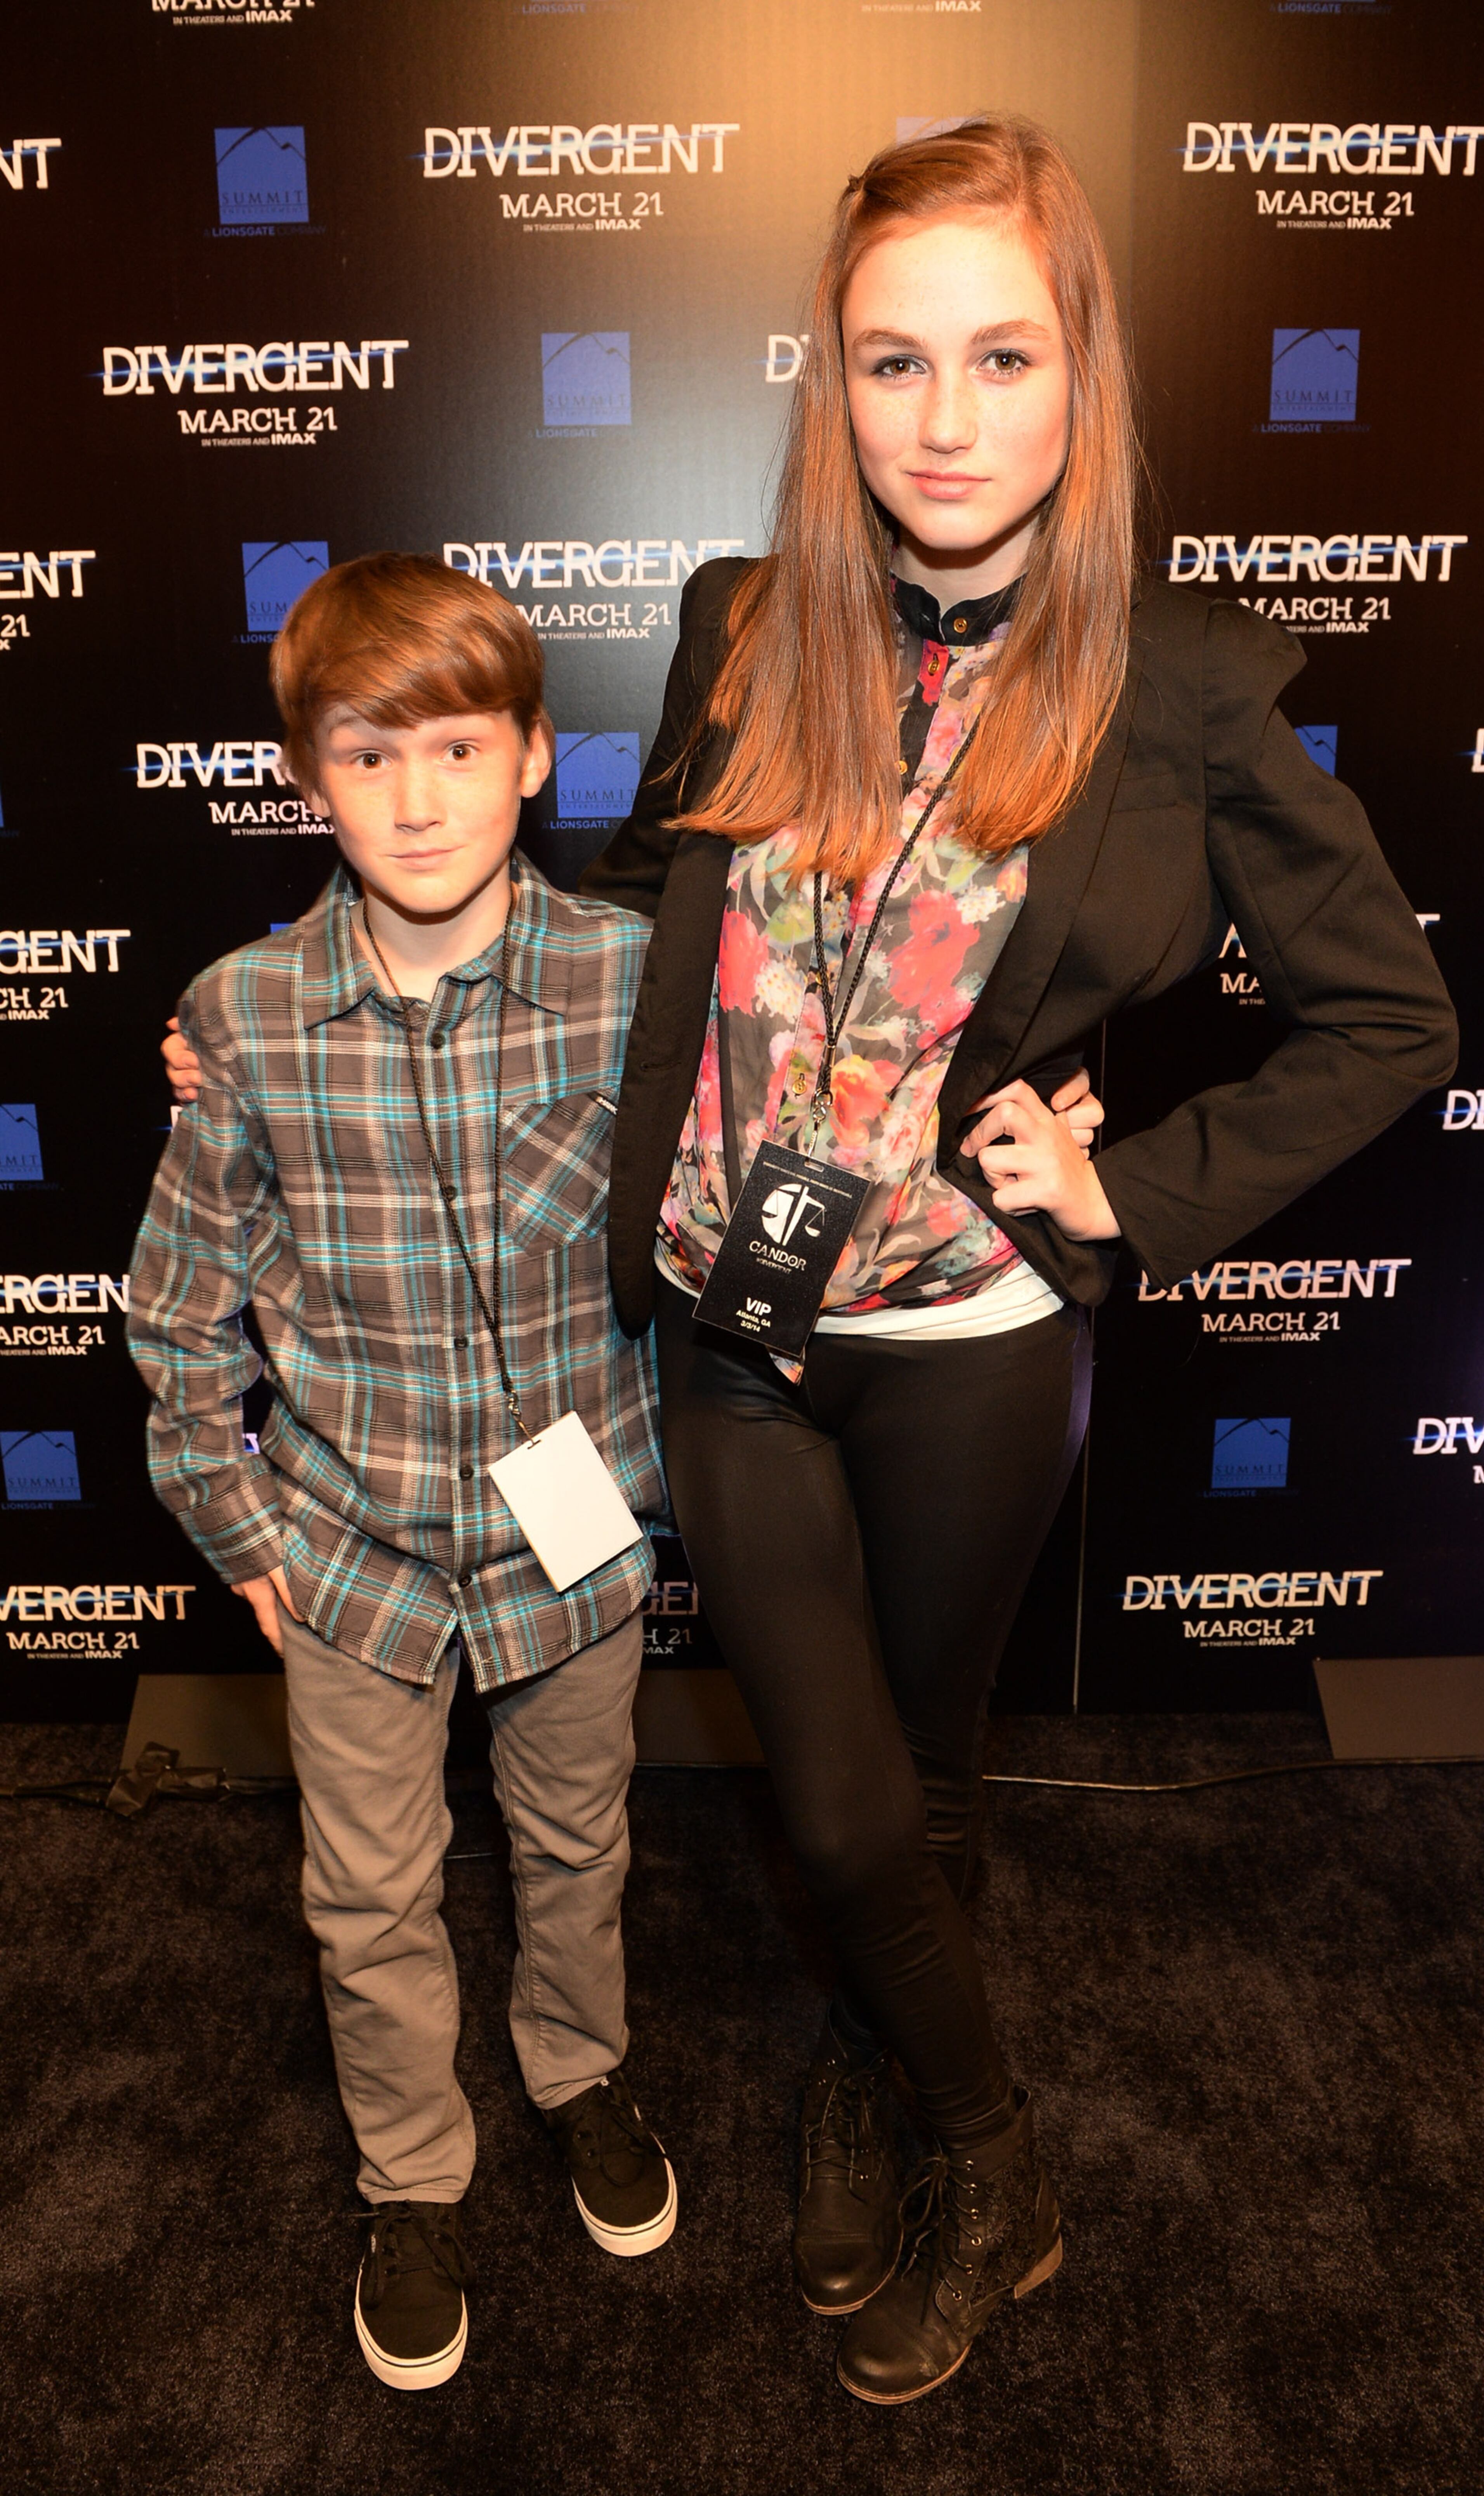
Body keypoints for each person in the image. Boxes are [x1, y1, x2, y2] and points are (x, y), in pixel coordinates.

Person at [573, 116, 1458, 2406]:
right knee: (841, 1792)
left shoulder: (1179, 685)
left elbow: (1394, 1017)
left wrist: (1129, 1188)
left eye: (1000, 355)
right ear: (830, 389)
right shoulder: (740, 623)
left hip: (971, 1341)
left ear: (1084, 378)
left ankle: (878, 2062)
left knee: (930, 1772)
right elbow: (662, 941)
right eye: (892, 362)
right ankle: (1006, 2158)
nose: (945, 421)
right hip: (734, 1325)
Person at [130, 554, 677, 2394]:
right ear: (308, 781)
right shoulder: (247, 1019)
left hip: (573, 1527)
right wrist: (238, 1519)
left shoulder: (634, 984)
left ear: (536, 757)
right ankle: (411, 2180)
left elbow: (759, 1202)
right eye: (369, 758)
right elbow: (179, 1308)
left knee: (578, 1839)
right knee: (367, 1892)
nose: (418, 799)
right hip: (352, 1543)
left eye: (457, 747)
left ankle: (582, 2076)